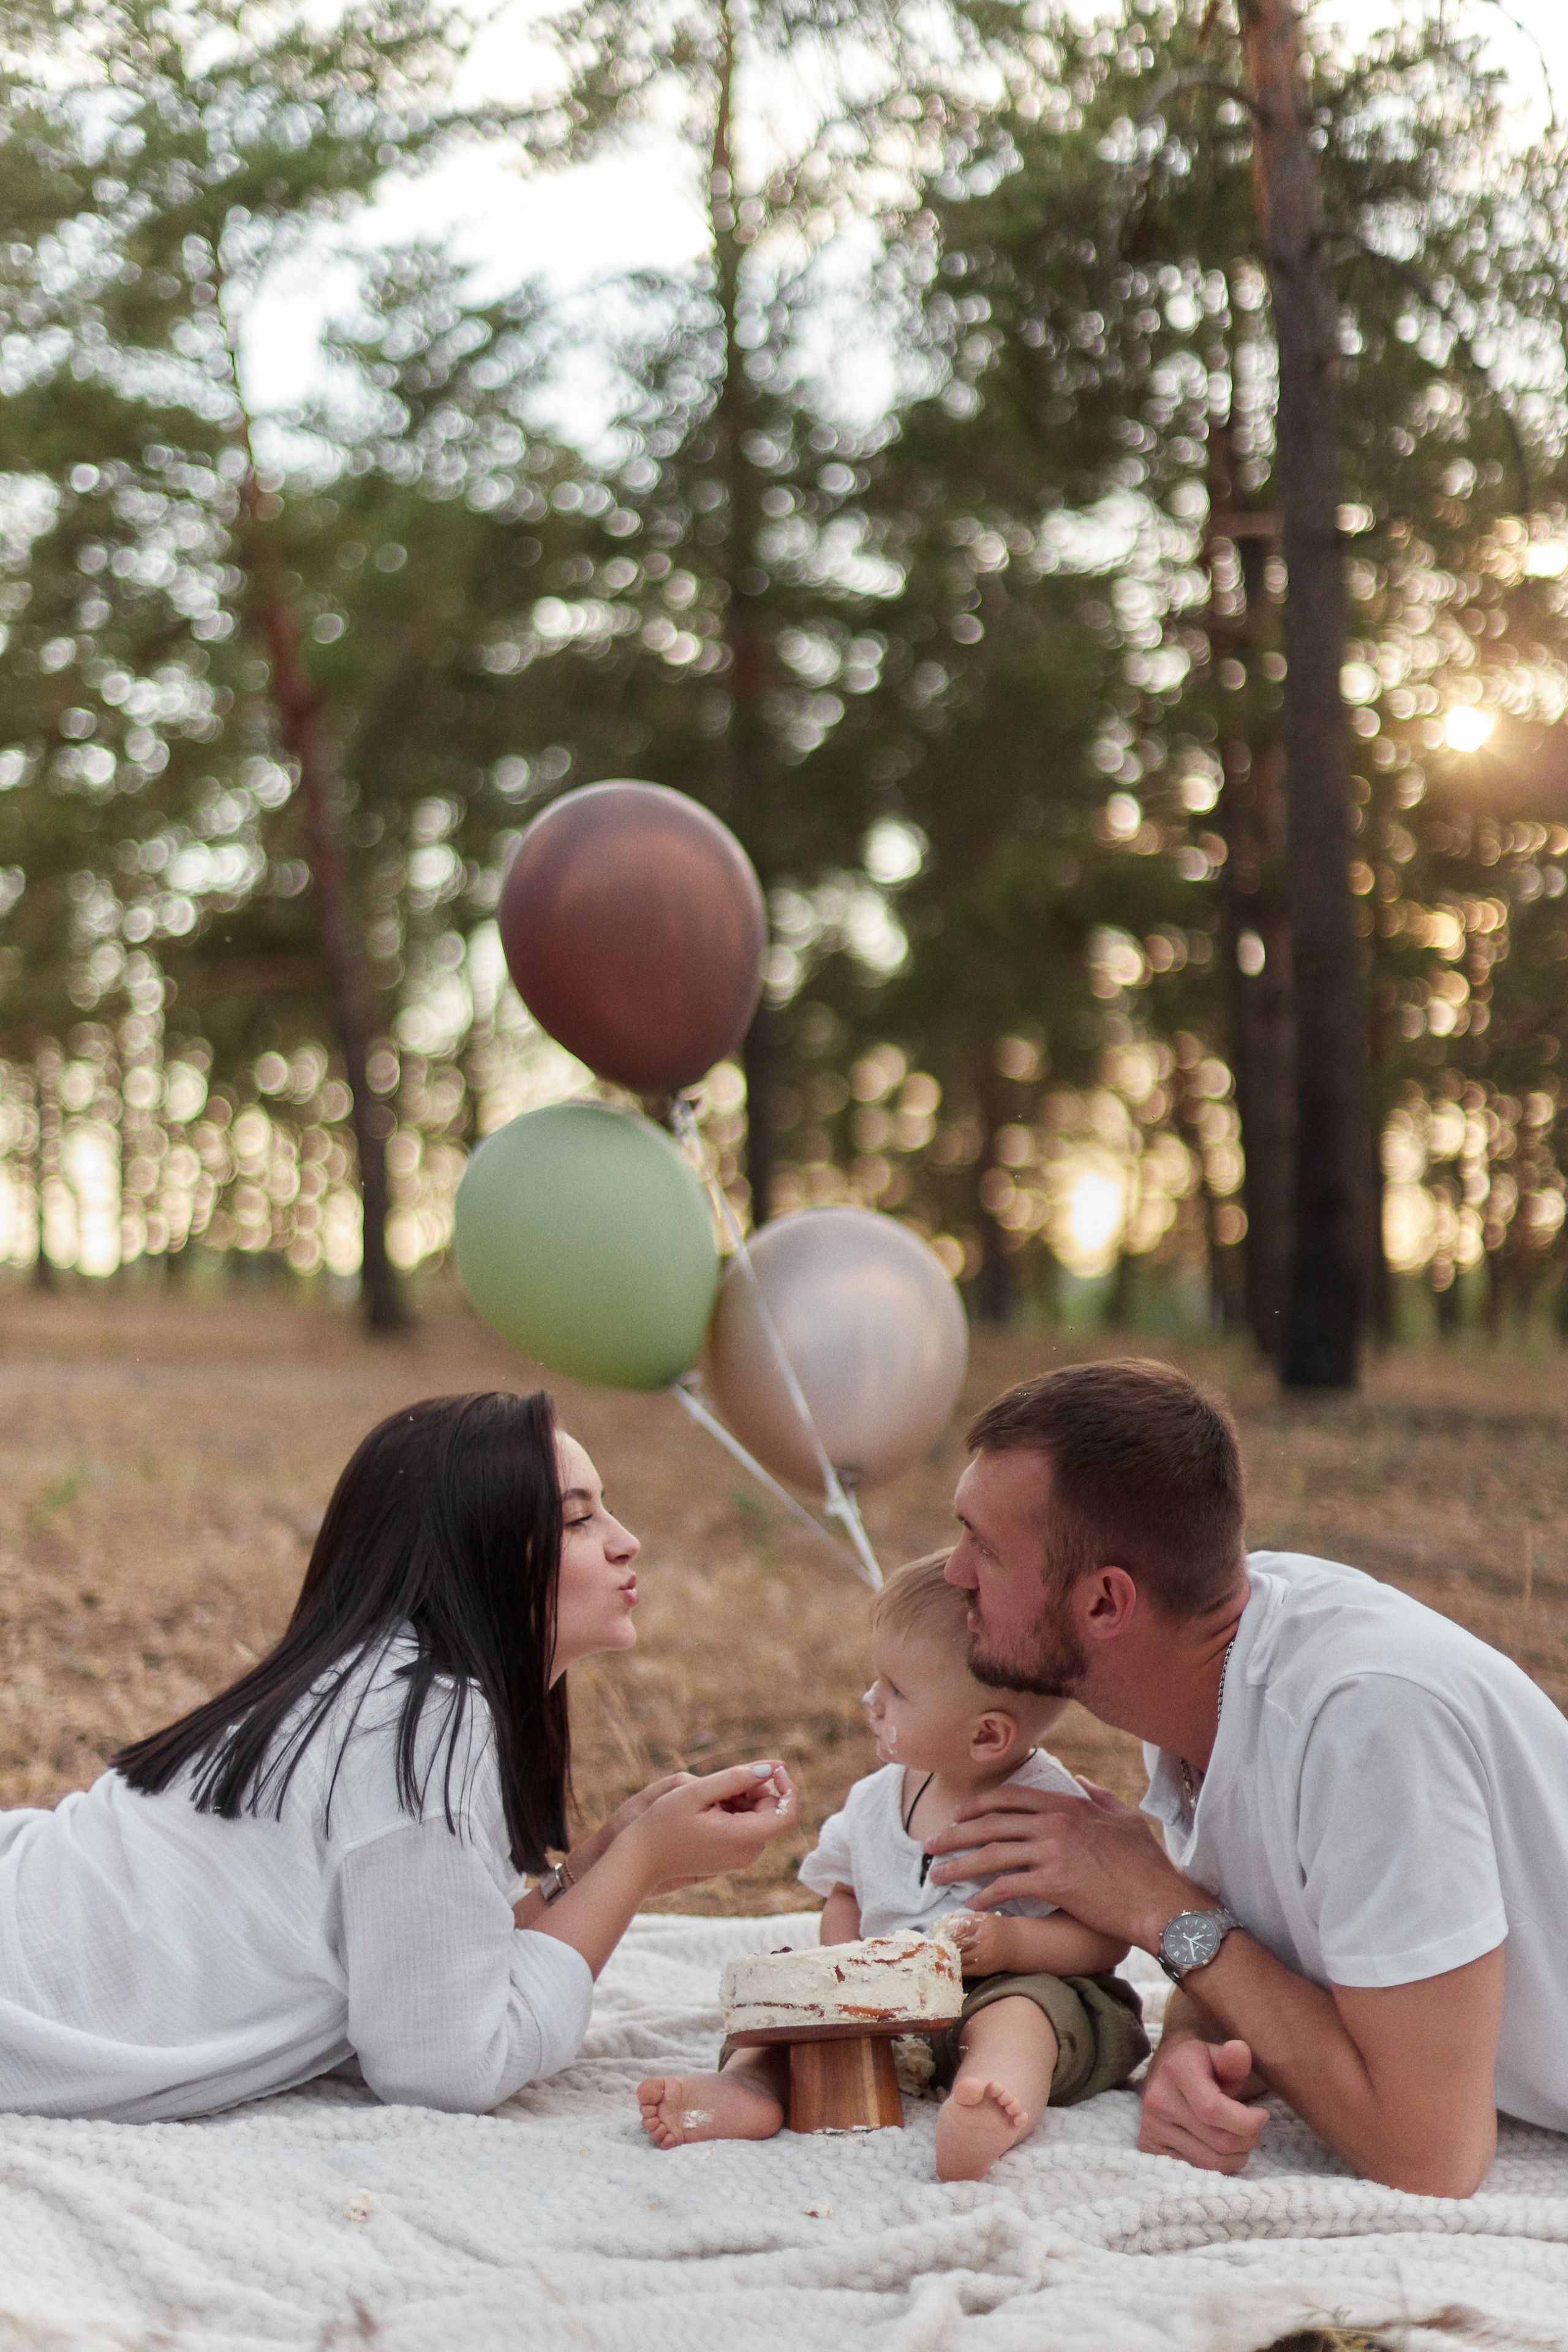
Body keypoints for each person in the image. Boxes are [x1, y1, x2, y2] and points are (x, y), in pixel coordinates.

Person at [0, 1390, 797, 2122]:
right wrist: (642, 1866)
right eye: (578, 1519)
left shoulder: (389, 1688)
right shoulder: (417, 1727)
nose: (628, 1543)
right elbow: (447, 2063)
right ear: (476, 1551)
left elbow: (434, 1960)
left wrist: (604, 1858)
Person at [920, 1357, 1568, 2198]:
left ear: (1108, 1605)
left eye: (985, 1546)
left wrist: (1158, 1906)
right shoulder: (1205, 1670)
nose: (953, 1573)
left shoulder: (1365, 1724)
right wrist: (1195, 2049)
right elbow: (1255, 1937)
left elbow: (1433, 2155)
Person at [636, 1550, 1147, 2176]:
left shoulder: (1051, 1811)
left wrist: (1012, 1942)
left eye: (896, 1691)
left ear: (987, 1735)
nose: (870, 1699)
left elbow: (1101, 1939)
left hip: (999, 1988)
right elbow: (846, 1893)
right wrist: (842, 1969)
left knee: (1025, 2016)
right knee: (787, 2012)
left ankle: (992, 2095)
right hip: (887, 2008)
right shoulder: (875, 1798)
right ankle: (751, 2086)